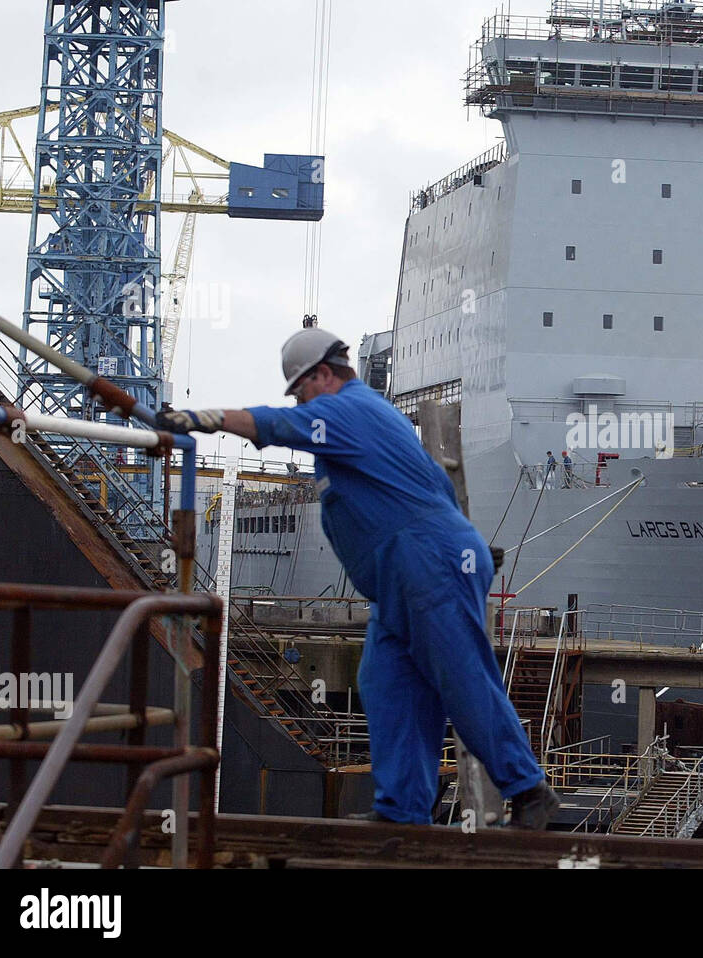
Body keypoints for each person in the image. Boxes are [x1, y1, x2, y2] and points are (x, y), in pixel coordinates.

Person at [155, 327, 559, 828]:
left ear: (323, 375)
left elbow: (279, 425)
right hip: (404, 578)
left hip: (425, 567)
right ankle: (403, 811)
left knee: (460, 676)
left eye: (301, 391)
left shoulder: (349, 411)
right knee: (387, 682)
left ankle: (528, 790)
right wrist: (464, 544)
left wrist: (206, 419)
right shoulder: (359, 425)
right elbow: (433, 485)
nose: (302, 403)